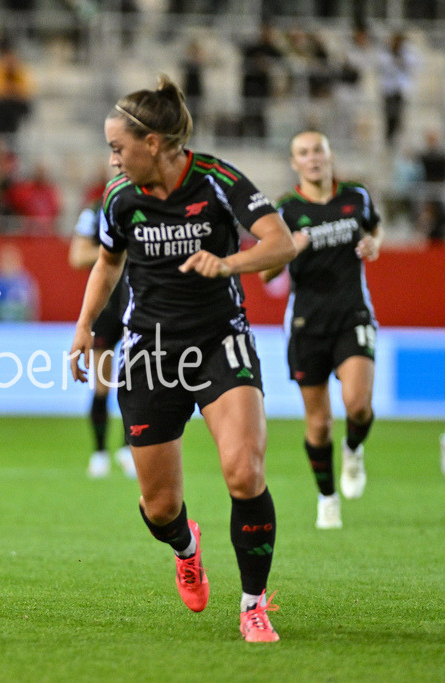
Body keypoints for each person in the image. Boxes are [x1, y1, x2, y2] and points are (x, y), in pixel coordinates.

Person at [68, 75, 296, 642]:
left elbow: (280, 242)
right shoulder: (119, 199)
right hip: (150, 350)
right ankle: (186, 547)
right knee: (160, 504)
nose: (112, 159)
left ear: (153, 143)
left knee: (245, 472)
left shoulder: (217, 180)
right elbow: (106, 265)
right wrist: (81, 329)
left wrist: (228, 265)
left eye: (118, 147)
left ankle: (252, 604)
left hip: (222, 340)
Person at [260, 131, 381, 530]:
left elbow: (373, 229)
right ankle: (327, 497)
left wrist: (373, 244)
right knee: (319, 423)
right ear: (295, 163)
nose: (312, 159)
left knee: (358, 405)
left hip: (352, 315)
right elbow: (266, 272)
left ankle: (353, 449)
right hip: (306, 325)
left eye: (318, 151)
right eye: (303, 153)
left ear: (329, 156)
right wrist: (288, 249)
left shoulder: (357, 197)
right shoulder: (286, 210)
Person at [69, 196, 135, 479]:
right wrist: (117, 249)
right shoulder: (97, 211)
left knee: (140, 383)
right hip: (107, 306)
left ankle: (128, 449)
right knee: (101, 385)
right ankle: (99, 453)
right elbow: (77, 256)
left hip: (140, 304)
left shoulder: (153, 205)